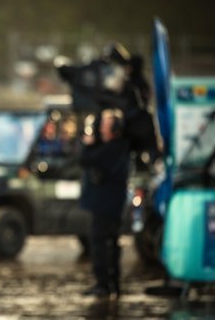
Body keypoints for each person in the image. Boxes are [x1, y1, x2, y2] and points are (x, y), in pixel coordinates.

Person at [79, 109, 130, 298]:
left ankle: (103, 284)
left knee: (100, 243)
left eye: (104, 126)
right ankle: (112, 283)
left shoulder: (112, 149)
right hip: (111, 204)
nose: (100, 129)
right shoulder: (118, 147)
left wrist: (88, 144)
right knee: (110, 243)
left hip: (106, 205)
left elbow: (85, 159)